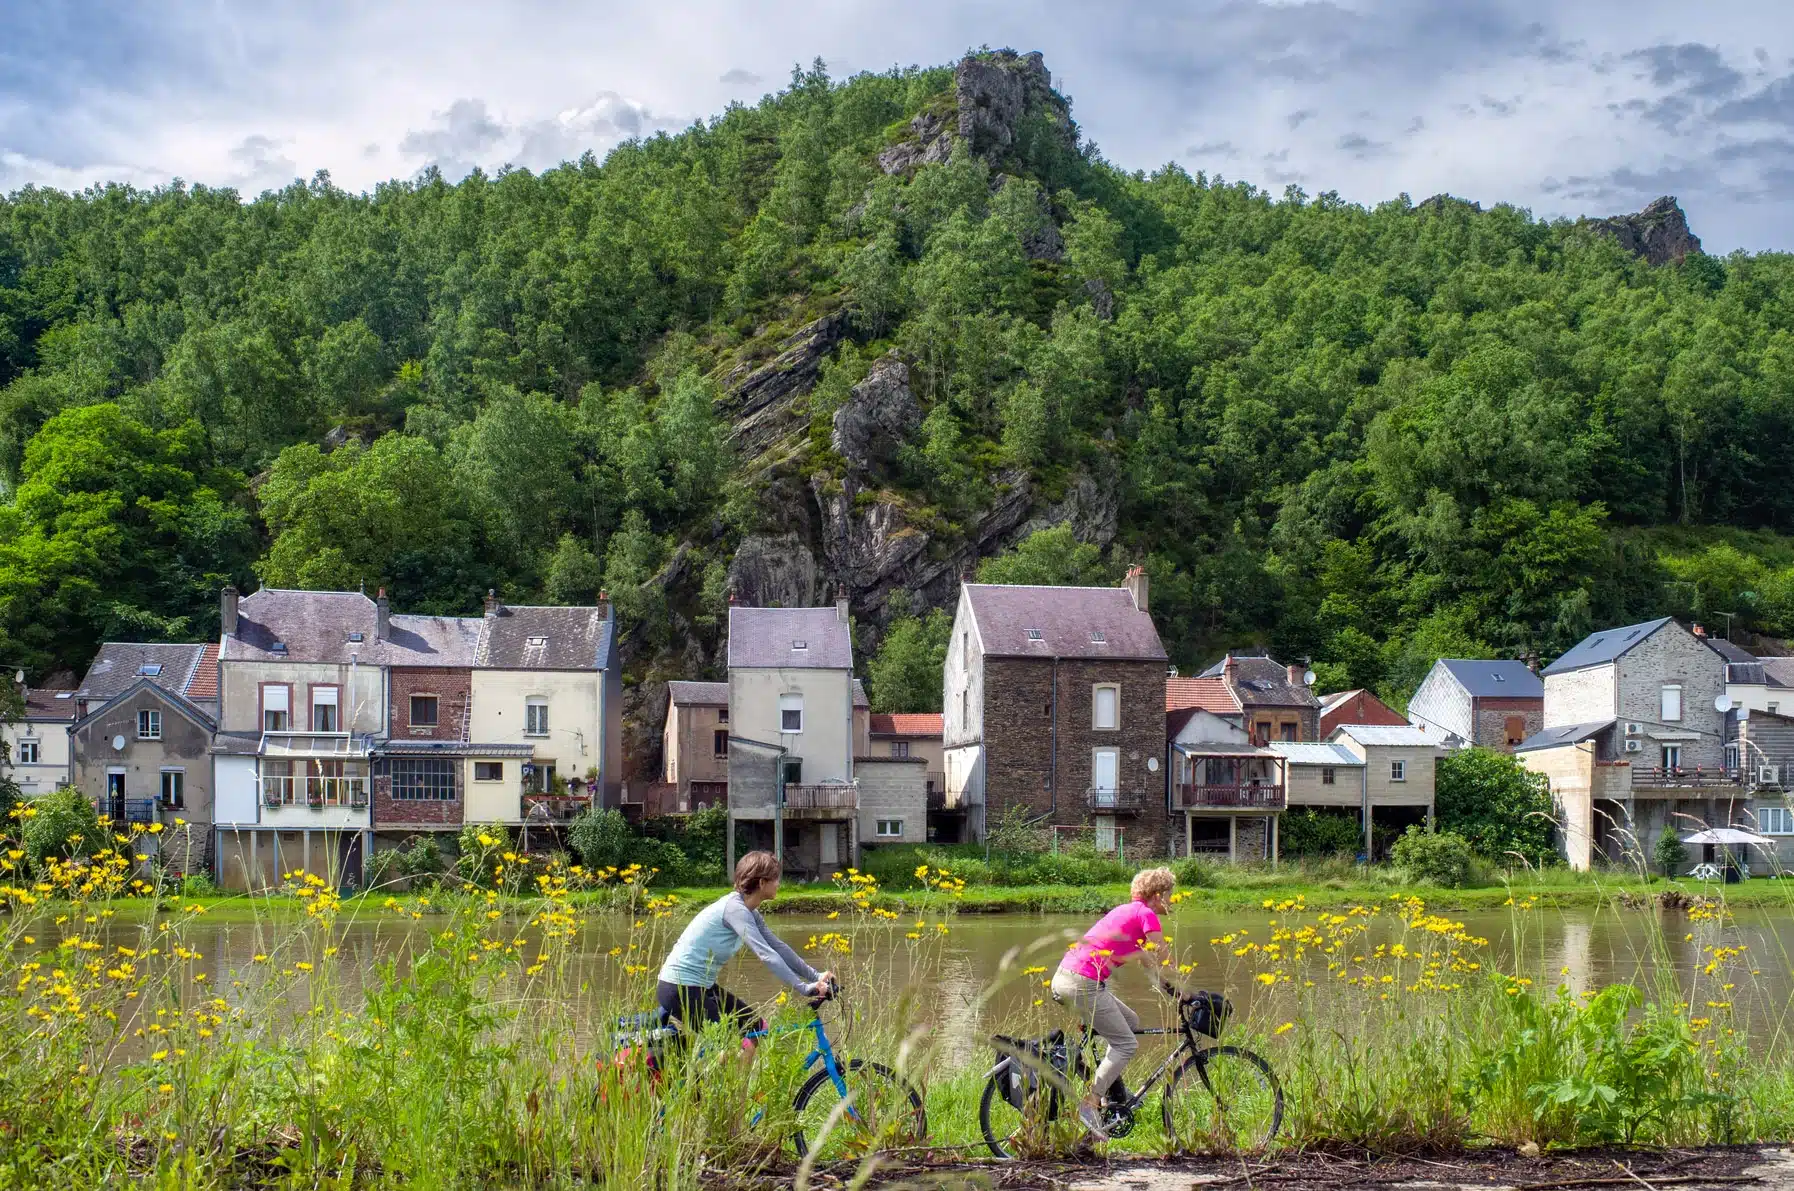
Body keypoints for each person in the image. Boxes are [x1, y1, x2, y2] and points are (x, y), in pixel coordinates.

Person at [656, 850, 836, 1056]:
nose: (779, 883)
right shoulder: (735, 910)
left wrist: (815, 976)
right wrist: (804, 988)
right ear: (761, 883)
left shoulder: (750, 912)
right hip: (679, 989)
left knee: (757, 1030)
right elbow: (766, 954)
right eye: (775, 878)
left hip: (700, 986)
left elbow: (777, 946)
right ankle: (711, 1087)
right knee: (736, 1046)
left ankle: (729, 1084)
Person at [1051, 866, 1179, 1140]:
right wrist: (1190, 993)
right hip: (1083, 984)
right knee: (1126, 1044)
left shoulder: (1126, 912)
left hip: (1070, 978)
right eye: (1170, 894)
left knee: (1130, 1023)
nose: (1172, 900)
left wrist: (1172, 990)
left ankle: (1112, 1091)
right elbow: (1165, 958)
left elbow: (1151, 964)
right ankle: (1091, 1102)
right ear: (1157, 896)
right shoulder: (1146, 915)